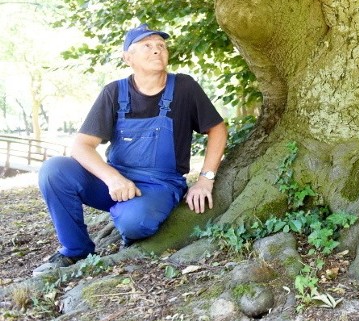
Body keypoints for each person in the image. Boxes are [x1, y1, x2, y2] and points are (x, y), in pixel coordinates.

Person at [34, 24, 228, 276]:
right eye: (147, 46)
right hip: (116, 182)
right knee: (54, 170)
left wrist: (205, 180)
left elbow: (217, 129)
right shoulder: (114, 92)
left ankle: (130, 217)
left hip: (160, 184)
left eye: (161, 45)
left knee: (133, 223)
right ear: (128, 58)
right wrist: (113, 178)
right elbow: (82, 146)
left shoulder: (184, 87)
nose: (157, 50)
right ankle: (76, 250)